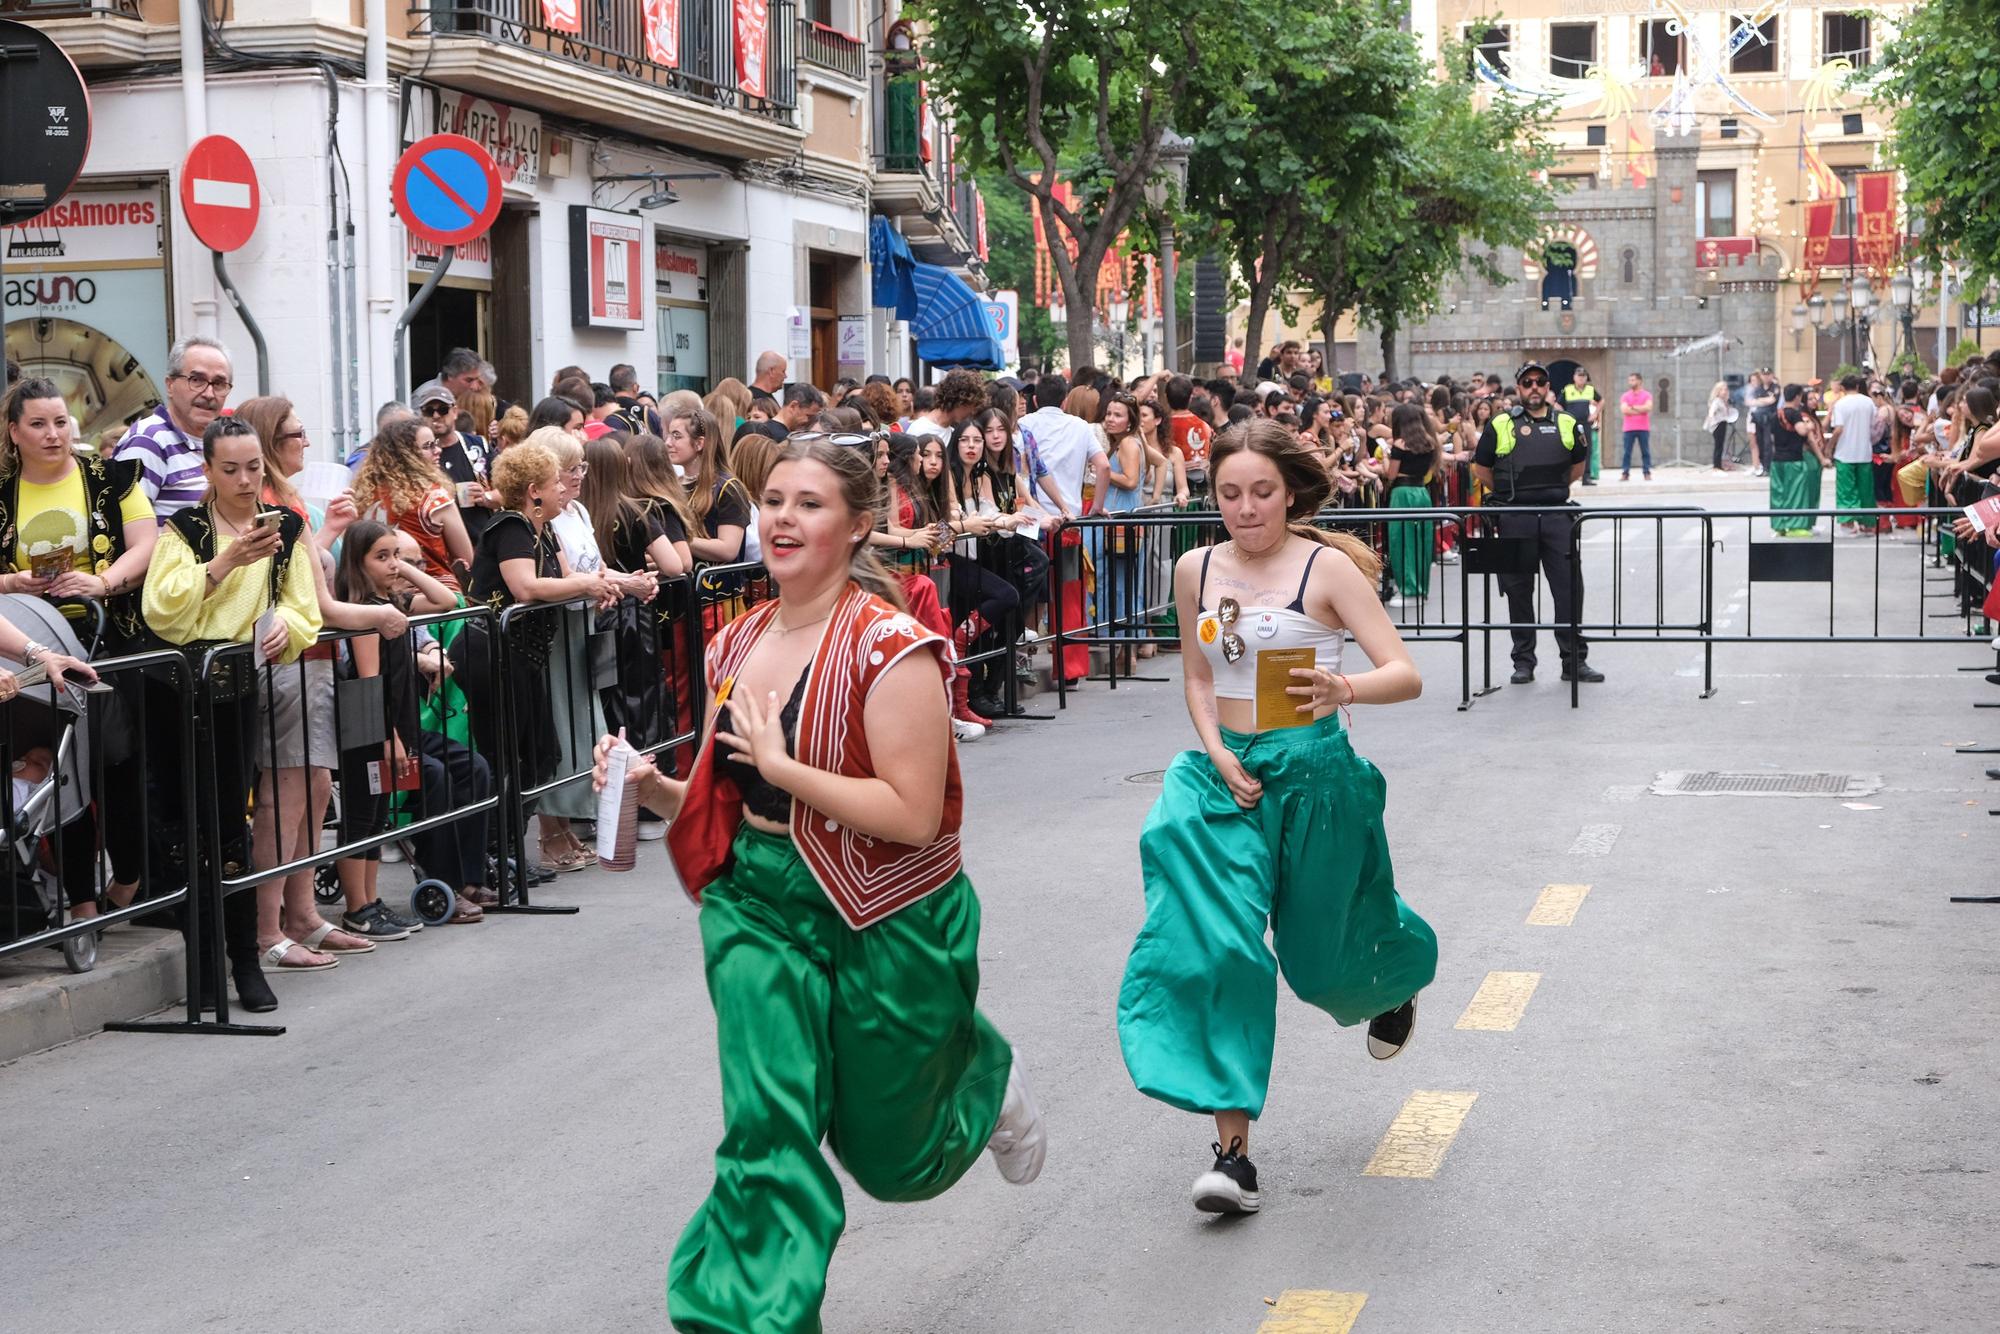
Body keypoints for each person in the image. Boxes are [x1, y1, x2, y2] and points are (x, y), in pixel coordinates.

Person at [594, 435, 1044, 1332]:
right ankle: (747, 1319)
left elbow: (913, 814)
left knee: (894, 1161)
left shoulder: (895, 649)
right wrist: (653, 786)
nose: (784, 519)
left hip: (882, 906)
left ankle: (984, 1078)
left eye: (809, 504)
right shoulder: (738, 639)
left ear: (857, 526)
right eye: (774, 502)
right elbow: (736, 796)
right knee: (768, 1128)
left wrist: (783, 765)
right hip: (757, 903)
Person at [1116, 418, 1435, 1216]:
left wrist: (1346, 689)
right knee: (1217, 948)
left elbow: (1405, 673)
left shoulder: (1326, 569)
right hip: (1224, 777)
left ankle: (1388, 981)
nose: (1245, 508)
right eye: (1229, 493)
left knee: (1319, 964)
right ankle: (1232, 1157)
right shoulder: (1195, 567)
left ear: (1288, 491)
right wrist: (1217, 751)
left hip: (1318, 775)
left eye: (1261, 492)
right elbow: (1196, 678)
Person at [143, 417, 324, 1014]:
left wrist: (285, 634)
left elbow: (303, 608)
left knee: (228, 827)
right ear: (208, 471)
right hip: (176, 690)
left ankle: (244, 959)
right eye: (231, 470)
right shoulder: (187, 529)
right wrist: (223, 563)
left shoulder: (286, 528)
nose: (246, 481)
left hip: (236, 688)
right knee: (178, 824)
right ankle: (202, 964)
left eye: (254, 467)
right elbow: (161, 611)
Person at [0, 376, 156, 922]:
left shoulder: (111, 477)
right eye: (37, 424)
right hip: (20, 641)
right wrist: (11, 584)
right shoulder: (1, 487)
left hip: (104, 635)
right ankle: (81, 901)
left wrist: (104, 582)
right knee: (53, 770)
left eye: (60, 422)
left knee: (115, 765)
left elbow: (145, 545)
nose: (52, 434)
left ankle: (130, 878)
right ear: (14, 432)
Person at [333, 520, 493, 926]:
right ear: (357, 561)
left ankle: (465, 879)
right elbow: (369, 684)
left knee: (473, 766)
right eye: (381, 557)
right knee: (372, 812)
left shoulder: (393, 605)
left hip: (404, 728)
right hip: (375, 730)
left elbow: (444, 601)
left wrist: (403, 566)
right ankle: (369, 903)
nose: (392, 564)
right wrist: (390, 739)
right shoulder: (366, 614)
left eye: (395, 555)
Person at [1471, 362, 1602, 685]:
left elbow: (1577, 466)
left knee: (1569, 590)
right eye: (1527, 382)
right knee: (1518, 591)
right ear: (1518, 388)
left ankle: (1574, 662)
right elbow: (1482, 469)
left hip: (1559, 518)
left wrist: (1552, 492)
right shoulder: (1501, 423)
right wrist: (1510, 495)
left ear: (1548, 387)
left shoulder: (1568, 422)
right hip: (1516, 518)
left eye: (1540, 382)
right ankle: (1524, 662)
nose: (1534, 387)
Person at [116, 335, 234, 521]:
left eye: (219, 384)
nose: (209, 393)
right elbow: (123, 528)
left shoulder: (220, 443)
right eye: (196, 380)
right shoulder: (147, 442)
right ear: (170, 385)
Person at [353, 415, 474, 591]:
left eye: (436, 443)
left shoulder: (363, 496)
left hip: (378, 597)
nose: (437, 450)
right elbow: (466, 557)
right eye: (428, 446)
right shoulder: (434, 498)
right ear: (406, 455)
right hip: (434, 597)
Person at [666, 406, 751, 565]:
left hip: (716, 586)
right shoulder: (675, 484)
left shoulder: (728, 488)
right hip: (682, 584)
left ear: (699, 443)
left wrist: (679, 541)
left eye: (676, 436)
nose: (668, 443)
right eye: (668, 435)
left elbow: (728, 549)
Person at [1382, 402, 1437, 606]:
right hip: (1422, 492)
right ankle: (1419, 587)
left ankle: (1409, 589)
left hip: (1402, 493)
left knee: (1402, 541)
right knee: (1421, 540)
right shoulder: (1430, 443)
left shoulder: (1399, 445)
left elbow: (1391, 474)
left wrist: (1386, 460)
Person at [1767, 383, 1827, 537]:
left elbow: (1772, 438)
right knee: (1796, 493)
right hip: (1794, 460)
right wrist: (1809, 426)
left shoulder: (1775, 415)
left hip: (1777, 460)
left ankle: (1779, 525)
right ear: (1798, 397)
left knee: (1779, 494)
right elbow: (1801, 431)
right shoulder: (1795, 414)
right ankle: (1795, 527)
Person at [1827, 373, 1878, 534]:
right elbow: (1873, 424)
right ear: (1857, 386)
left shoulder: (1840, 404)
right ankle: (1868, 523)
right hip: (1864, 451)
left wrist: (1829, 447)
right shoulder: (1868, 402)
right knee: (1866, 490)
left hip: (1844, 452)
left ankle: (1848, 523)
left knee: (1846, 490)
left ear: (1842, 387)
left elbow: (1838, 429)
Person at [1560, 367, 1602, 486]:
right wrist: (1564, 417)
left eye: (1583, 376)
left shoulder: (1590, 389)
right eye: (1579, 376)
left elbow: (1601, 401)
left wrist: (1595, 414)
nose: (1581, 378)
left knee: (1587, 449)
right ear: (1574, 377)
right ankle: (1567, 476)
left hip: (1585, 424)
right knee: (1568, 449)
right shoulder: (1567, 390)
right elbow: (1557, 404)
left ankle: (1586, 477)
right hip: (1571, 424)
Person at [1619, 372, 1654, 481]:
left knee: (1645, 451)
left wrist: (1632, 408)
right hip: (1628, 428)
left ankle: (1647, 472)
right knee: (1626, 452)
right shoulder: (1625, 396)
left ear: (1639, 381)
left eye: (1633, 380)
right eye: (1630, 380)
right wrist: (1640, 409)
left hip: (1643, 427)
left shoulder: (1647, 395)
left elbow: (1648, 408)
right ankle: (1625, 473)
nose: (1631, 382)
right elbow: (1624, 410)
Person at [1704, 380, 1739, 472]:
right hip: (1717, 424)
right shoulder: (1717, 401)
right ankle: (1716, 466)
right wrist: (1711, 417)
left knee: (1721, 445)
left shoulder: (1724, 401)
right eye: (1723, 389)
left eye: (1726, 389)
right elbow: (1711, 411)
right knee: (1718, 445)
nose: (1725, 391)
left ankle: (1719, 464)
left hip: (1723, 422)